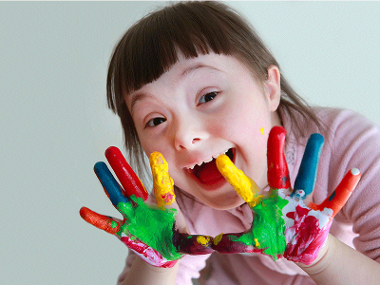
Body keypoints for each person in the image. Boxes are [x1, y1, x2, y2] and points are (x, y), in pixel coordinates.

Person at [97, 1, 380, 284]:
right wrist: (160, 266)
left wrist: (321, 255)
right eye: (156, 120)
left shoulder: (347, 146)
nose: (183, 136)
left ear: (269, 88)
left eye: (208, 97)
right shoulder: (175, 205)